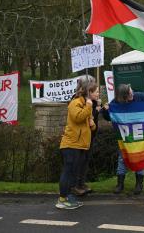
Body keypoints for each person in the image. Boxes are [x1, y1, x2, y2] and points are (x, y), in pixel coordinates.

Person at [102, 84, 144, 195]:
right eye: (129, 94)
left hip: (141, 133)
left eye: (131, 91)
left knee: (141, 157)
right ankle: (120, 184)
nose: (132, 94)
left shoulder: (139, 96)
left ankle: (139, 184)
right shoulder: (116, 102)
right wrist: (105, 110)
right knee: (122, 158)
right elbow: (108, 116)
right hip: (125, 136)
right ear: (123, 97)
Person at [56, 75, 97, 209]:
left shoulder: (86, 104)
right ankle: (62, 199)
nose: (96, 93)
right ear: (87, 91)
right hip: (71, 144)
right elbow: (78, 117)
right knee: (68, 172)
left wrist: (92, 124)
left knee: (74, 173)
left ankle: (69, 196)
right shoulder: (75, 102)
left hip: (80, 145)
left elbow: (89, 124)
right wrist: (88, 108)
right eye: (93, 90)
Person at [74, 82, 102, 196]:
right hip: (82, 137)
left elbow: (93, 120)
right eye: (96, 92)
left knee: (85, 161)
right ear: (89, 92)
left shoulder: (94, 102)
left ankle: (82, 183)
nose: (98, 93)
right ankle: (76, 185)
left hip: (91, 136)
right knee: (80, 161)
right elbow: (85, 117)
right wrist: (96, 110)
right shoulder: (81, 102)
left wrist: (99, 107)